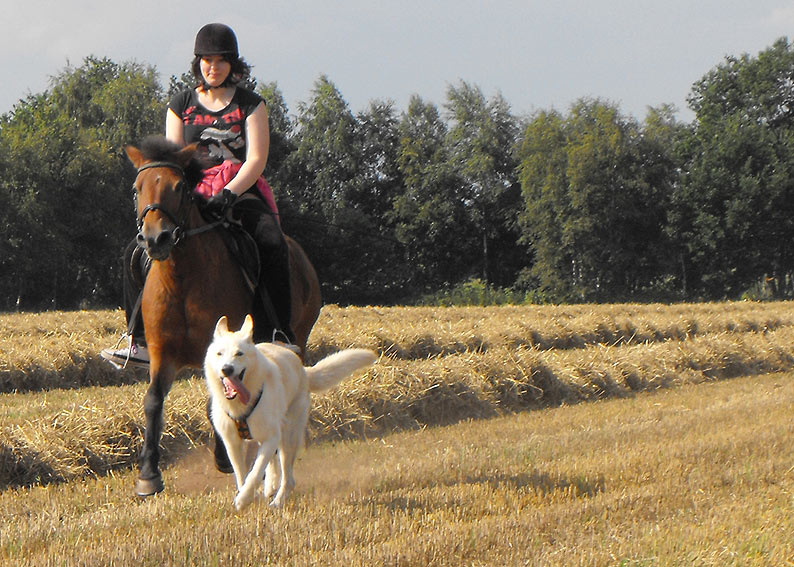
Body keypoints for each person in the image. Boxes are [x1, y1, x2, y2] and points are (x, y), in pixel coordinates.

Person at [101, 23, 295, 368]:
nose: (213, 67)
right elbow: (172, 160)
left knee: (271, 241)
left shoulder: (251, 104)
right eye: (206, 60)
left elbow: (256, 159)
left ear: (232, 65)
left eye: (220, 61)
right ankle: (138, 340)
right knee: (135, 250)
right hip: (189, 192)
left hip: (239, 188)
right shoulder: (181, 104)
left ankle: (275, 333)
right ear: (198, 63)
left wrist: (230, 193)